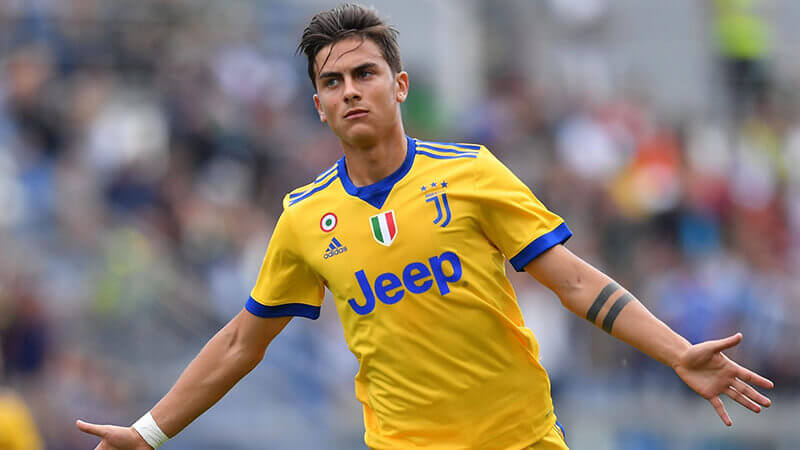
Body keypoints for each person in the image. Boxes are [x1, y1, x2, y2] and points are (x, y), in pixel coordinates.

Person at [76, 4, 773, 449]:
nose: (350, 90)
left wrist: (676, 352)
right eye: (332, 82)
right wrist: (149, 432)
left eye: (365, 73)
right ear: (317, 105)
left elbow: (575, 282)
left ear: (400, 85)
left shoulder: (472, 172)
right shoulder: (303, 218)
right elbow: (240, 342)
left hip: (521, 441)